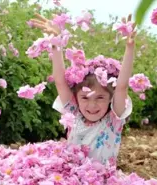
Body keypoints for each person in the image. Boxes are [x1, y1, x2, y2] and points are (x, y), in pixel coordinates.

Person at [30, 13, 135, 166]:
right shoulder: (74, 113)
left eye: (100, 98)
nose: (92, 106)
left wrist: (130, 47)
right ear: (76, 97)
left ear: (110, 99)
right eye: (85, 98)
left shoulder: (113, 120)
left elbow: (121, 87)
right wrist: (55, 43)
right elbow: (60, 81)